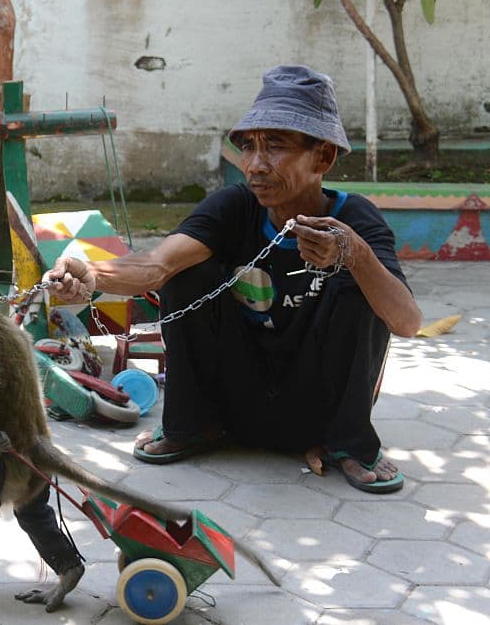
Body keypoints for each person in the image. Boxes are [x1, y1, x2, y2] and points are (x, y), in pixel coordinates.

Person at [45, 64, 422, 494]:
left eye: (275, 147)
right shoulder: (233, 208)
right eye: (249, 147)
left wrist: (354, 254)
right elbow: (158, 264)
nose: (255, 165)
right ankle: (195, 426)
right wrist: (93, 274)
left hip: (320, 405)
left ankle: (350, 444)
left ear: (324, 157)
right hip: (238, 398)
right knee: (189, 273)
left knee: (363, 283)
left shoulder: (354, 219)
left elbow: (407, 322)